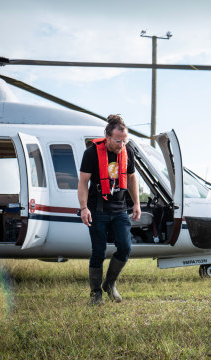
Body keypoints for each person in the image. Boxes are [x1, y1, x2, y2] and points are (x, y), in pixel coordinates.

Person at [78, 114, 141, 305]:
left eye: (125, 140)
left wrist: (136, 203)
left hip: (120, 208)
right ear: (106, 136)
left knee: (125, 247)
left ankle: (109, 284)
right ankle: (95, 292)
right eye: (117, 141)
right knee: (99, 250)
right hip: (97, 209)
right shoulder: (91, 153)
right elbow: (83, 182)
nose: (121, 145)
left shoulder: (127, 151)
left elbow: (131, 178)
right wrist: (83, 208)